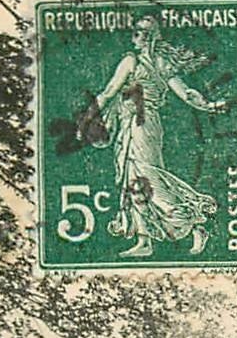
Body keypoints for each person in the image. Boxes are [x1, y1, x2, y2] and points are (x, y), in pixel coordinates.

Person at [91, 14, 226, 258]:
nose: (135, 36)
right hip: (134, 123)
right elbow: (186, 93)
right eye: (135, 30)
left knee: (146, 176)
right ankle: (144, 240)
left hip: (141, 124)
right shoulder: (159, 63)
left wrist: (209, 105)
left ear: (151, 36)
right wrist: (208, 105)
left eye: (140, 31)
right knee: (133, 178)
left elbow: (110, 91)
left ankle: (192, 226)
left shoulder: (133, 61)